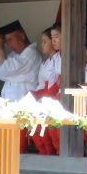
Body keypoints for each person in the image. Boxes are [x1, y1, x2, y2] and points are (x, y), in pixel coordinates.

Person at [0, 20, 41, 152]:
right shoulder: (16, 55)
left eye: (10, 40)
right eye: (6, 42)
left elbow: (7, 68)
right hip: (7, 102)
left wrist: (1, 48)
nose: (9, 45)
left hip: (22, 102)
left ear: (22, 36)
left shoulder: (31, 53)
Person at [30, 26, 60, 155]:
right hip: (48, 94)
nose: (43, 44)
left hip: (56, 95)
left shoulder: (60, 58)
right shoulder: (45, 63)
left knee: (48, 120)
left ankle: (54, 152)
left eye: (45, 41)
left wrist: (45, 98)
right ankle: (44, 151)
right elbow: (42, 86)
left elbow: (56, 85)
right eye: (50, 39)